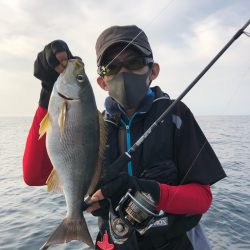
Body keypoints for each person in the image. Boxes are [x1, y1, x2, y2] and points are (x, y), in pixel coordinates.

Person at [23, 25, 226, 250]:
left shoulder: (176, 116)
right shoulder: (95, 127)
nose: (123, 72)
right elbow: (34, 176)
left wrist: (153, 191)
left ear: (153, 71)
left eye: (134, 62)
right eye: (111, 66)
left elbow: (202, 198)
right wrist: (46, 96)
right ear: (102, 81)